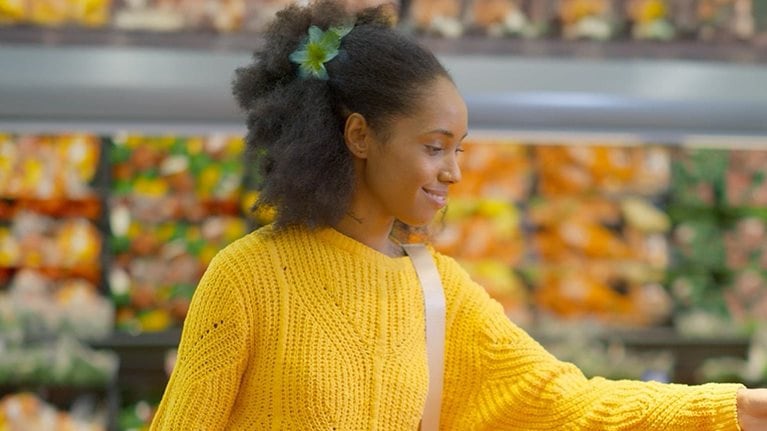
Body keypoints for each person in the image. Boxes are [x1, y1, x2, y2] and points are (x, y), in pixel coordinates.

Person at [149, 0, 767, 429]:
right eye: (434, 146)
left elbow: (567, 404)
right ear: (360, 135)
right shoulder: (247, 280)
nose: (455, 172)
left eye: (460, 149)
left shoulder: (437, 293)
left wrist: (730, 411)